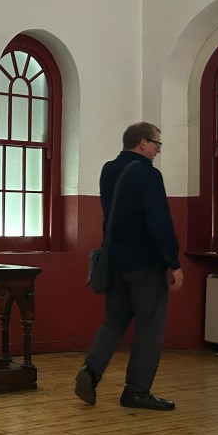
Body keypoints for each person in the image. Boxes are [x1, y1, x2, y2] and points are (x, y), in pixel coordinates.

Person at [75, 122, 184, 410]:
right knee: (150, 328)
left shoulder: (109, 170)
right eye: (157, 143)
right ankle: (136, 392)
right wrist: (173, 262)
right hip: (145, 264)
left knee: (114, 321)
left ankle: (90, 371)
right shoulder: (148, 174)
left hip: (115, 261)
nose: (158, 150)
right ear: (142, 142)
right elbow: (159, 221)